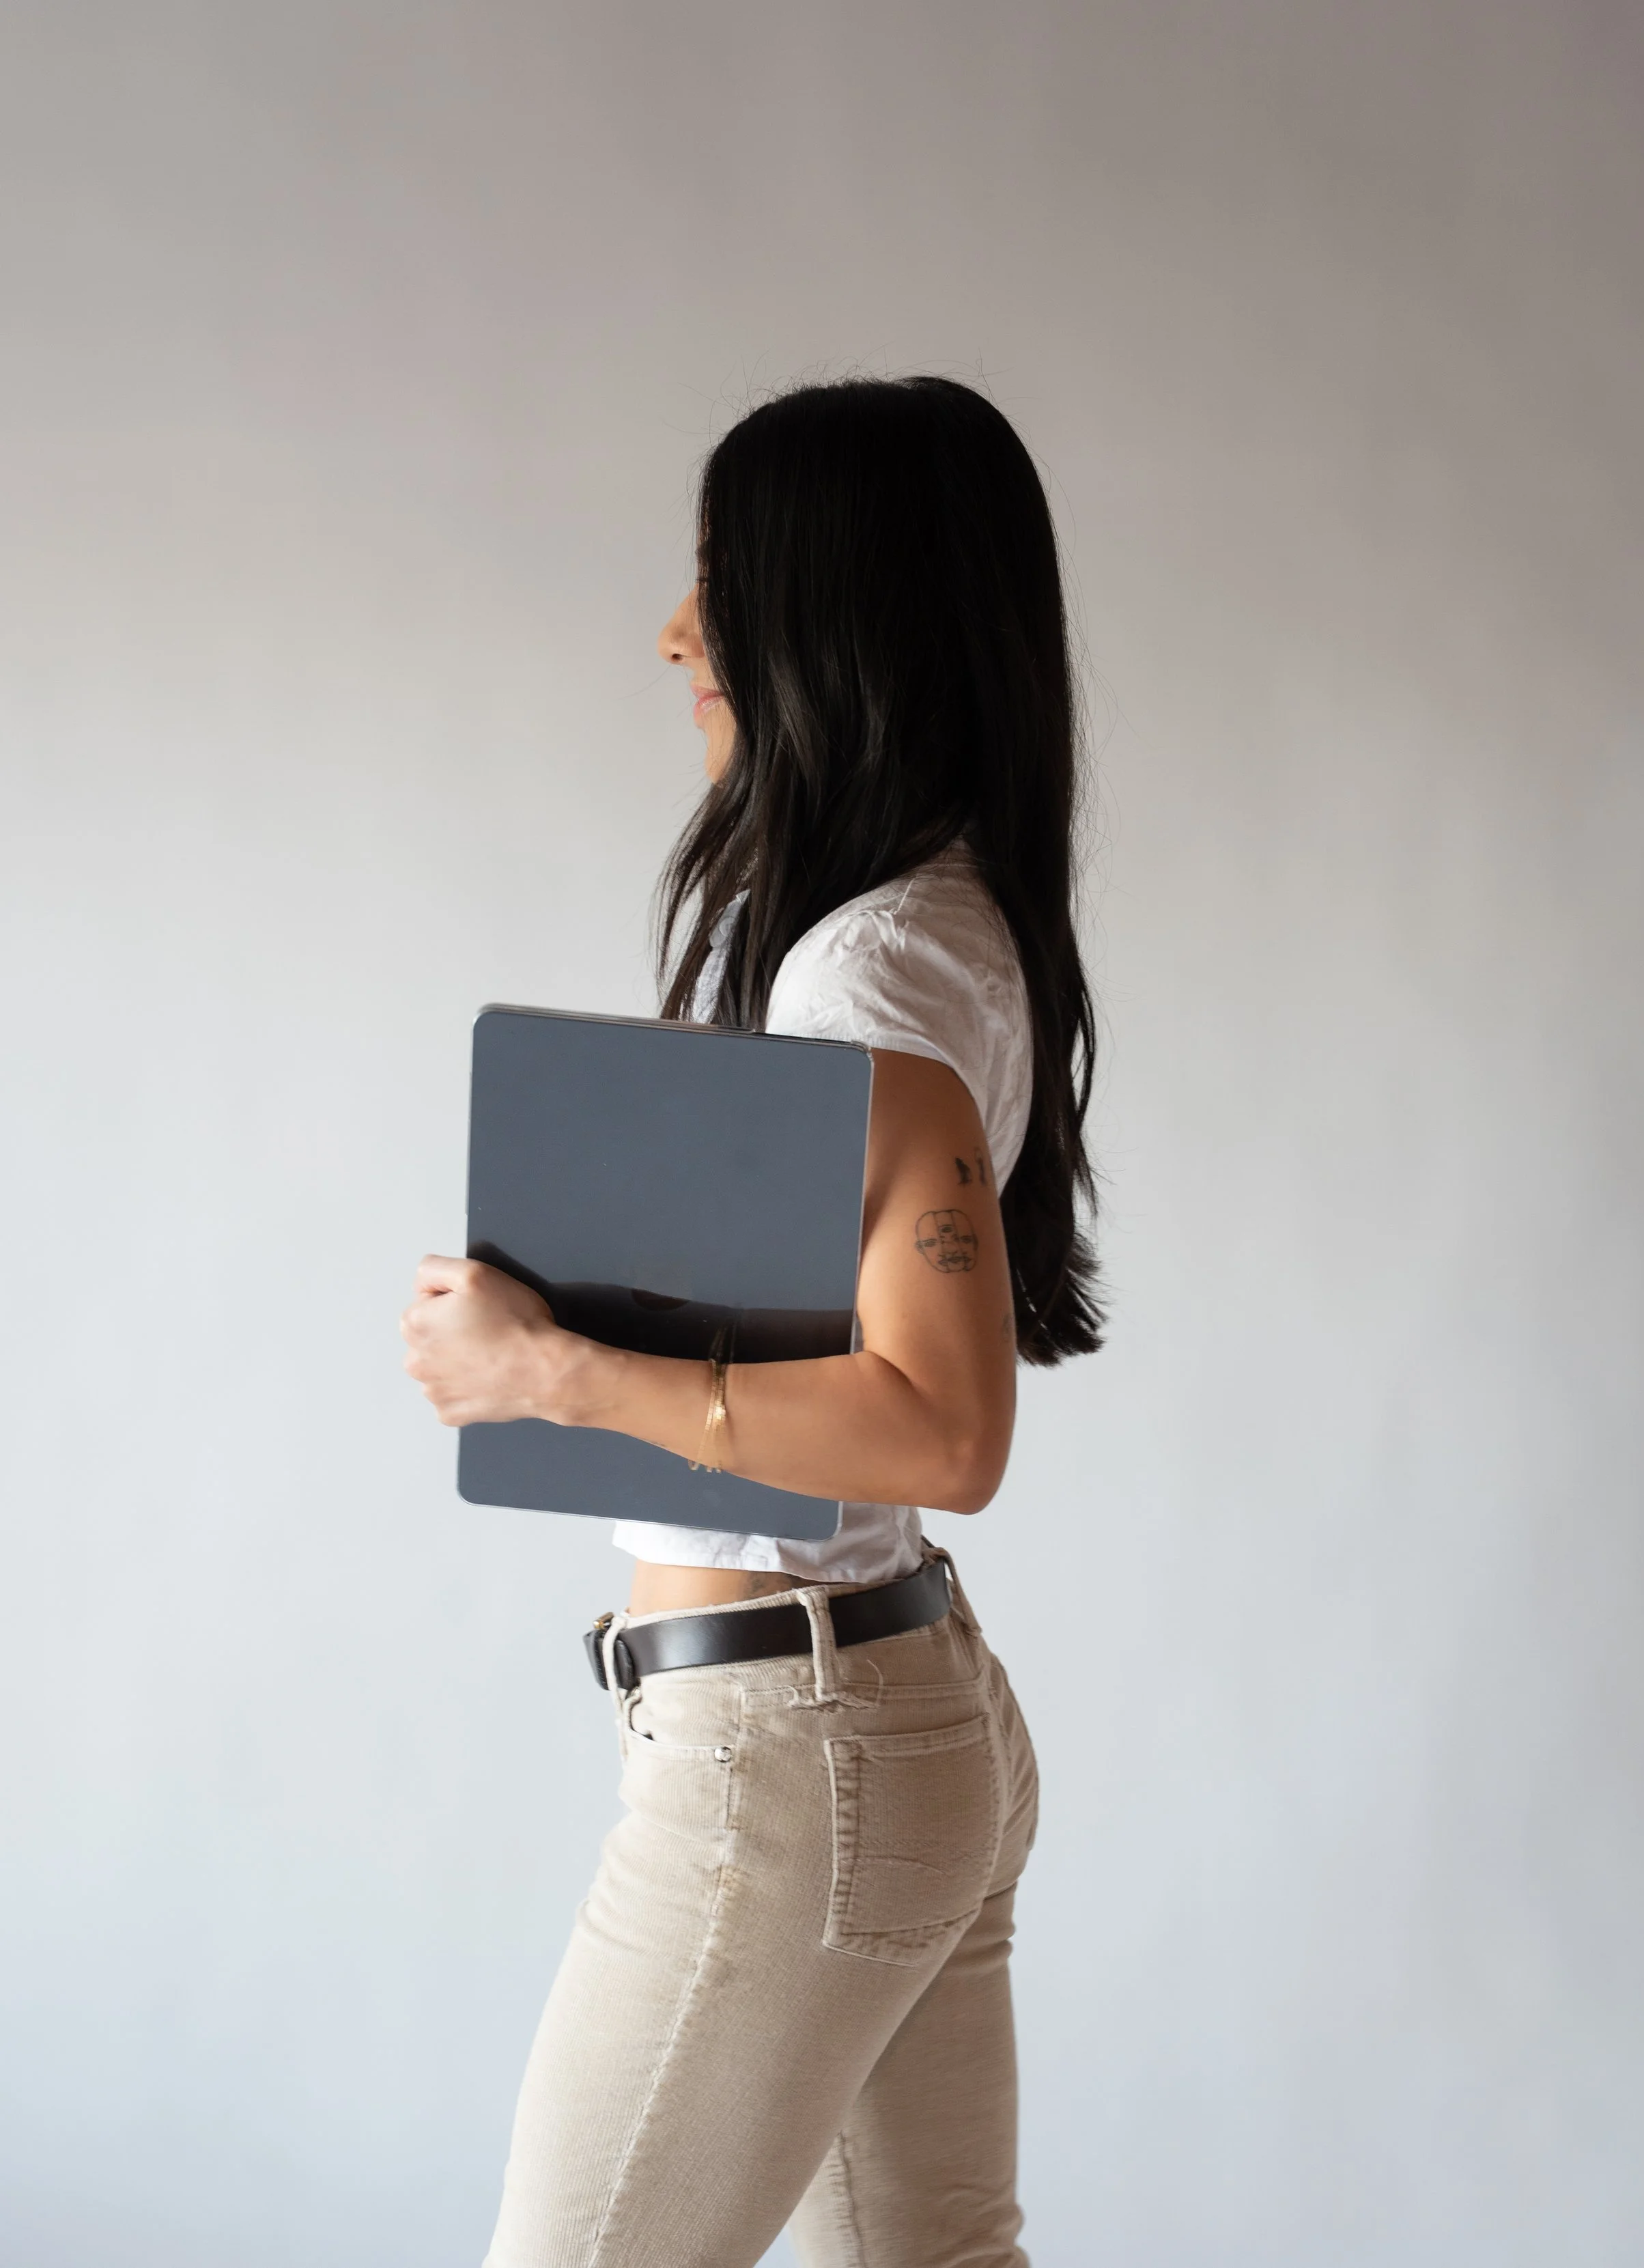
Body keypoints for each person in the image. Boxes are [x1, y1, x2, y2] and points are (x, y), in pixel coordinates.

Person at [400, 375, 1102, 2268]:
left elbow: (937, 1427)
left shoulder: (871, 966)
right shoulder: (934, 921)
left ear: (831, 619)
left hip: (797, 1760)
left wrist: (548, 1371)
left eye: (716, 584)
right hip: (879, 1712)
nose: (674, 633)